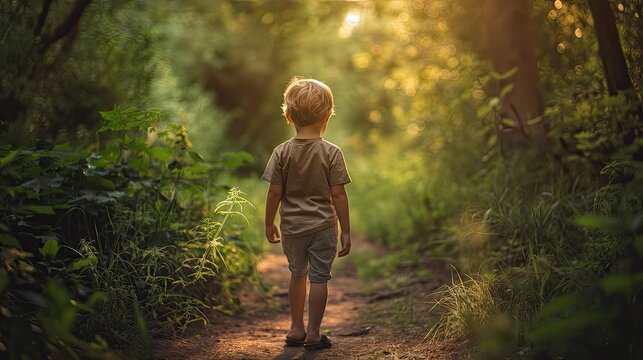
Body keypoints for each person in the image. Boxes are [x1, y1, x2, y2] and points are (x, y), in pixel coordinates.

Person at [262, 77, 352, 351]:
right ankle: (314, 333)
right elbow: (338, 195)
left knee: (297, 274)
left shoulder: (281, 152)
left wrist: (269, 222)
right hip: (323, 227)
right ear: (327, 115)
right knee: (319, 278)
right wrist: (346, 230)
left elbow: (274, 193)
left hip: (292, 227)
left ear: (289, 116)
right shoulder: (332, 153)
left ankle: (296, 328)